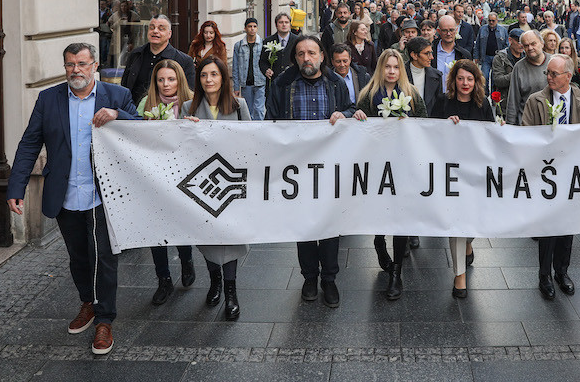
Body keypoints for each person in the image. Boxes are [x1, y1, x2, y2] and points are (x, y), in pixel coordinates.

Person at [8, 43, 139, 355]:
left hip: (102, 196)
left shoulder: (117, 96)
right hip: (65, 195)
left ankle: (104, 319)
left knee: (103, 258)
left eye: (82, 63)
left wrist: (118, 115)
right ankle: (87, 303)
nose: (75, 70)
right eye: (70, 64)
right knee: (78, 257)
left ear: (94, 65)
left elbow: (142, 131)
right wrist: (15, 187)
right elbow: (29, 143)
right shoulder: (48, 99)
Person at [266, 36, 356, 308]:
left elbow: (351, 109)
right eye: (301, 54)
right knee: (303, 224)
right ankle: (309, 277)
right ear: (295, 58)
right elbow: (270, 120)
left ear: (322, 56)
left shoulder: (336, 83)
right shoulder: (282, 84)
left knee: (328, 224)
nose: (307, 58)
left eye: (312, 53)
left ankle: (329, 279)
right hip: (296, 169)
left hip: (329, 167)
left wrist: (344, 115)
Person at [353, 50, 426, 300]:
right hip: (377, 165)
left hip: (404, 164)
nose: (392, 71)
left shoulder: (412, 94)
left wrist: (410, 123)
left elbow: (425, 123)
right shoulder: (368, 95)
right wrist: (358, 117)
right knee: (380, 211)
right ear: (380, 69)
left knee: (401, 216)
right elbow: (358, 129)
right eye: (387, 67)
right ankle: (378, 241)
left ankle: (397, 272)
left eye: (396, 67)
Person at [182, 56, 250, 321]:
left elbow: (253, 140)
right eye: (203, 75)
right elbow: (179, 147)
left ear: (223, 77)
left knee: (229, 237)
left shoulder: (239, 105)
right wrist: (186, 130)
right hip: (203, 185)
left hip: (231, 183)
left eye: (214, 74)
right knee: (208, 236)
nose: (208, 80)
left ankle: (231, 291)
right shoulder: (188, 107)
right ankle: (215, 283)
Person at [521, 53, 580, 300]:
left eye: (554, 73)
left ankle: (562, 271)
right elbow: (526, 134)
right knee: (548, 227)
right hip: (546, 174)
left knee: (567, 226)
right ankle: (544, 275)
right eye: (547, 73)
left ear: (568, 76)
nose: (549, 77)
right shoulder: (536, 101)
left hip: (571, 173)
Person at [431, 60, 494, 298]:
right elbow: (429, 133)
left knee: (473, 221)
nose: (465, 83)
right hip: (451, 174)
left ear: (476, 81)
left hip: (476, 173)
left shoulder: (483, 104)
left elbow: (491, 137)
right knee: (456, 222)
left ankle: (468, 242)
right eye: (460, 78)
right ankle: (460, 276)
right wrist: (445, 128)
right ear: (453, 80)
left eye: (469, 79)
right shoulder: (442, 102)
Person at [136, 59, 196, 305]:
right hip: (154, 177)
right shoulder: (146, 104)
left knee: (180, 223)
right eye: (161, 79)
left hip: (183, 176)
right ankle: (163, 279)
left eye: (171, 79)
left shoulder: (192, 103)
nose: (166, 84)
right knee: (156, 229)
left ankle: (186, 259)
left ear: (179, 80)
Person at [120, 15, 196, 105]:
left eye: (161, 29)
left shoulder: (184, 61)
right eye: (152, 28)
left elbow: (188, 94)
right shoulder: (136, 55)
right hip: (134, 110)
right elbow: (125, 85)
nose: (155, 31)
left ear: (169, 34)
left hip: (168, 111)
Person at [505, 30, 549, 125]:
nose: (530, 48)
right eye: (526, 45)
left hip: (551, 123)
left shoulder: (553, 62)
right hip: (527, 124)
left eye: (533, 44)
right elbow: (513, 100)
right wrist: (509, 126)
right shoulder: (519, 68)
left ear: (542, 43)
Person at [231, 17, 267, 120]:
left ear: (257, 28)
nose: (252, 29)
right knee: (247, 111)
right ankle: (250, 128)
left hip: (260, 82)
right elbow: (235, 67)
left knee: (259, 110)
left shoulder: (263, 44)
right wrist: (236, 87)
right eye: (250, 26)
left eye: (254, 26)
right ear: (245, 28)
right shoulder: (239, 46)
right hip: (246, 83)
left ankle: (259, 128)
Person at [406, 36, 444, 116]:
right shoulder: (399, 74)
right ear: (414, 55)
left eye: (431, 53)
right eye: (427, 53)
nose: (431, 57)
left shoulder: (437, 76)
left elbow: (439, 106)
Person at [432, 15, 472, 91]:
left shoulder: (464, 55)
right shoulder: (430, 52)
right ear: (439, 31)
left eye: (451, 30)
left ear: (456, 30)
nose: (448, 33)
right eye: (444, 30)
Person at [492, 28, 525, 114]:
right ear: (510, 40)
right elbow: (498, 81)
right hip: (506, 105)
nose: (522, 45)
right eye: (519, 41)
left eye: (523, 42)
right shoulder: (500, 57)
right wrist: (516, 74)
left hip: (523, 104)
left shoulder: (527, 57)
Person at [474, 12, 508, 92]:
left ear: (497, 20)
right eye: (489, 20)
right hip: (485, 57)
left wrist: (504, 57)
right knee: (484, 77)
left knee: (495, 78)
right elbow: (478, 43)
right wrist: (476, 56)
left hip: (498, 58)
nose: (491, 22)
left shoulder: (503, 30)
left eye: (493, 21)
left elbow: (506, 44)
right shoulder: (482, 29)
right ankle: (485, 94)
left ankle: (494, 96)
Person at [260, 12, 299, 81]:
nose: (284, 25)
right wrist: (266, 70)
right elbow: (262, 61)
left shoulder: (297, 41)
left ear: (290, 25)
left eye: (286, 22)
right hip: (274, 80)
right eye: (281, 22)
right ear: (276, 25)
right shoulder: (268, 41)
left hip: (293, 80)